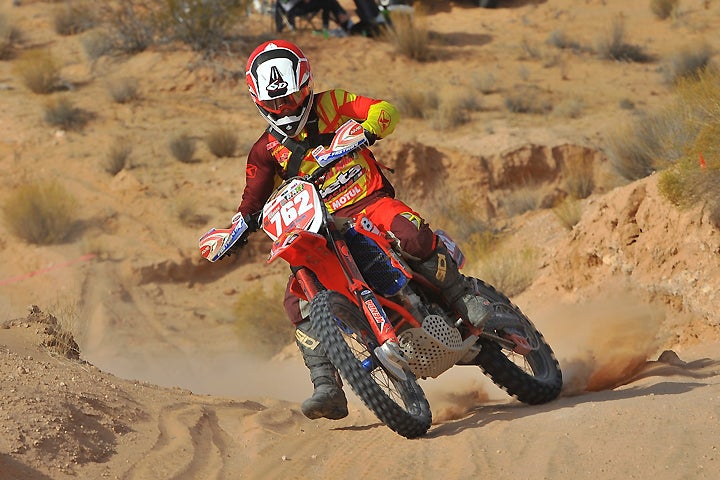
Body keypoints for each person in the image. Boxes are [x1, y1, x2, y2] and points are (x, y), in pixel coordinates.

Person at [234, 40, 490, 420]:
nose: (285, 109)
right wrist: (236, 229)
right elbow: (251, 201)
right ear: (259, 102)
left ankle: (462, 294)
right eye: (275, 104)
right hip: (319, 227)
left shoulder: (333, 104)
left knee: (412, 236)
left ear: (306, 86)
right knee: (297, 300)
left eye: (291, 98)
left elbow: (383, 110)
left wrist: (368, 129)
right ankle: (327, 386)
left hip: (369, 203)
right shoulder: (264, 150)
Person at [275, 0, 353, 34]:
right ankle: (343, 23)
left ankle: (342, 22)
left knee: (329, 2)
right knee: (327, 2)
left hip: (298, 5)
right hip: (295, 8)